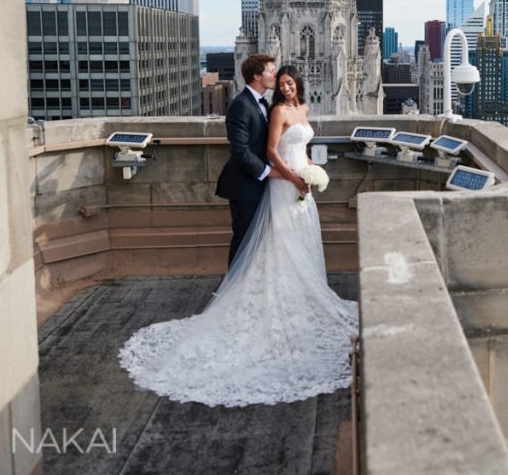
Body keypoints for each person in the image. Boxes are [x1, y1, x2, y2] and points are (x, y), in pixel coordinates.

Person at [119, 65, 359, 407]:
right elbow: (251, 150)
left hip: (289, 184)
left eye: (287, 79)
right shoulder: (250, 106)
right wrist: (287, 176)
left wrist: (310, 171)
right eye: (275, 75)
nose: (280, 81)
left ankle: (281, 296)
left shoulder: (282, 106)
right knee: (253, 243)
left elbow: (297, 146)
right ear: (258, 76)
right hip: (266, 183)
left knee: (284, 242)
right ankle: (237, 298)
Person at [215, 53, 278, 267]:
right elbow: (240, 150)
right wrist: (268, 172)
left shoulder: (263, 104)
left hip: (258, 185)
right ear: (257, 76)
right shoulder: (240, 105)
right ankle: (233, 293)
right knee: (244, 240)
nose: (274, 74)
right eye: (270, 70)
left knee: (258, 241)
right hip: (244, 186)